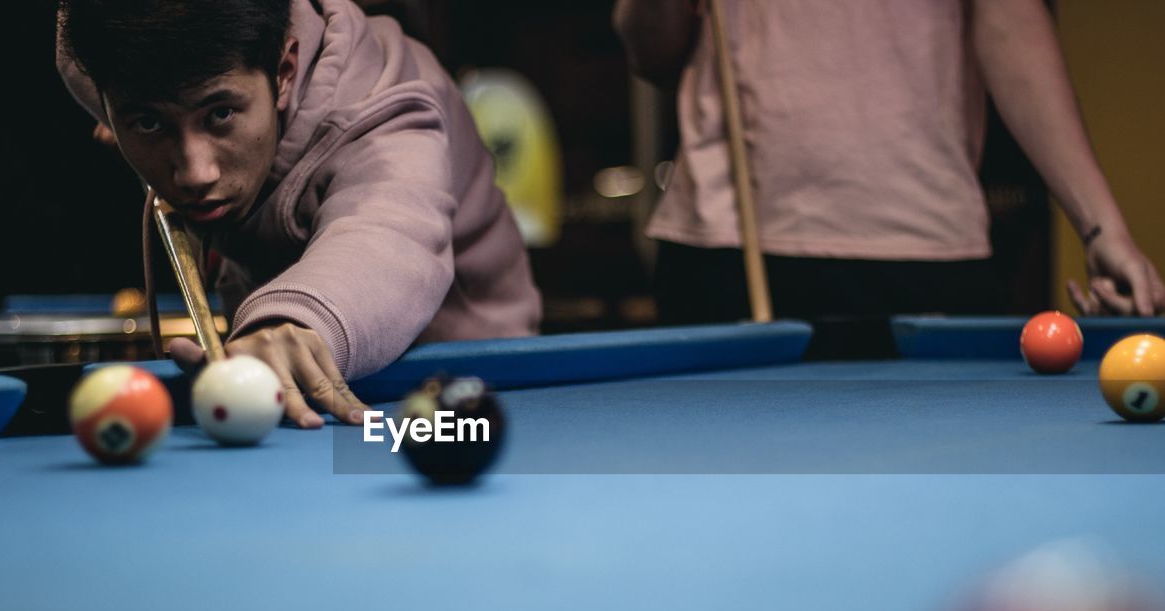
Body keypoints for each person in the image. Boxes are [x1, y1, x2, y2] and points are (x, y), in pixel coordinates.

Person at [57, 0, 541, 428]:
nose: (194, 174)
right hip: (289, 384)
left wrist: (291, 322)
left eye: (220, 114)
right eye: (148, 121)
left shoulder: (382, 106)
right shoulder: (101, 60)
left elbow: (388, 235)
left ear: (283, 72)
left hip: (462, 387)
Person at [613, 0, 1164, 328]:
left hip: (924, 237)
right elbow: (651, 54)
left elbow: (1009, 17)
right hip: (729, 243)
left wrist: (1099, 226)